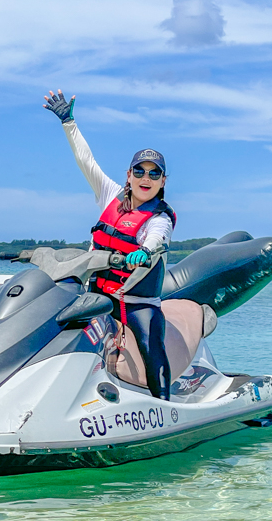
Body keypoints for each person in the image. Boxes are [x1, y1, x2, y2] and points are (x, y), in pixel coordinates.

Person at [43, 89, 175, 401]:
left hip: (136, 302)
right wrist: (68, 122)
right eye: (140, 171)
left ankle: (164, 404)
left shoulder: (160, 218)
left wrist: (144, 252)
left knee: (150, 343)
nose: (146, 177)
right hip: (99, 293)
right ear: (129, 175)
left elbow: (157, 241)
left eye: (154, 173)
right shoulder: (109, 193)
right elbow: (85, 160)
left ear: (163, 181)